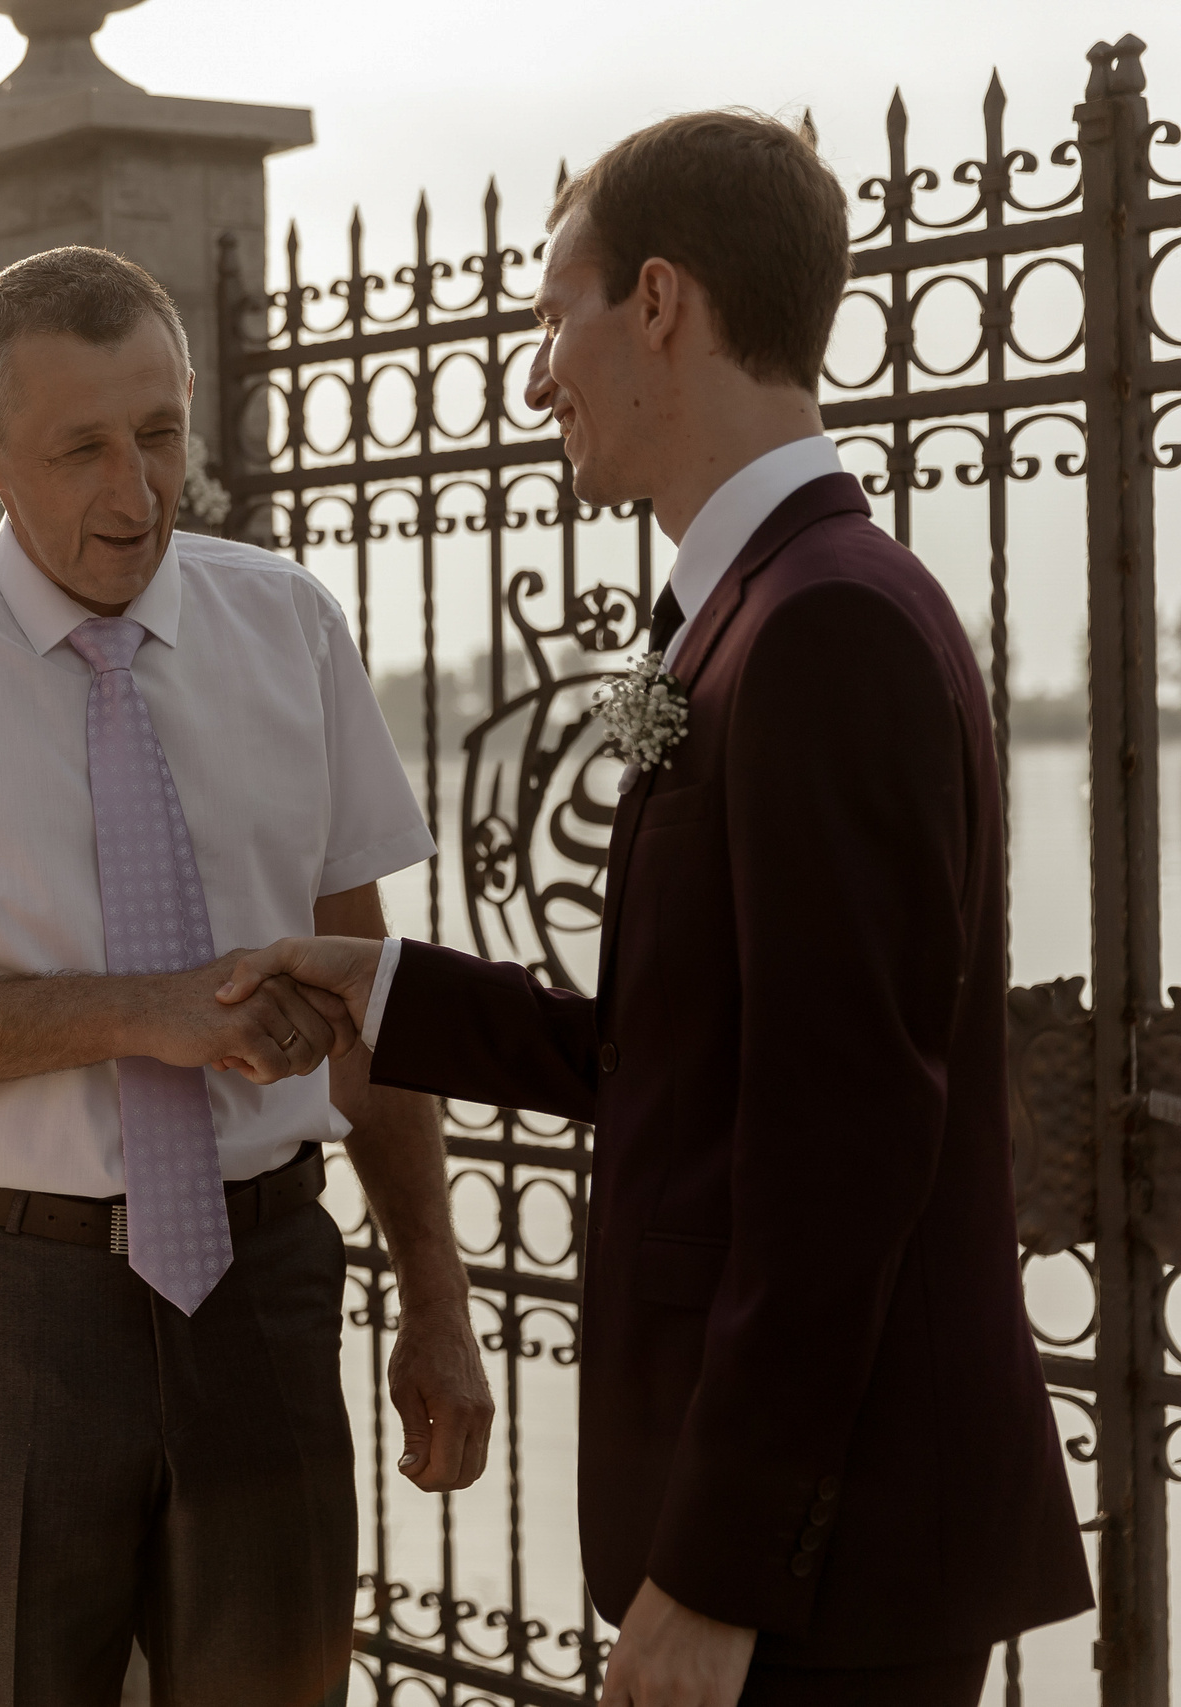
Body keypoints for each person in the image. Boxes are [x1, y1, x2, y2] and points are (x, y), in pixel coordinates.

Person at [219, 112, 1092, 1706]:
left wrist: (717, 1568)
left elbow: (846, 1142)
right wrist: (385, 984)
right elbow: (687, 1049)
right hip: (793, 1537)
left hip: (829, 1561)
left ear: (663, 304)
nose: (537, 371)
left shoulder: (827, 629)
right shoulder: (762, 612)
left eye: (556, 312)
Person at [0, 245, 492, 1707]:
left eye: (160, 433)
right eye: (81, 446)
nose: (137, 491)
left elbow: (376, 991)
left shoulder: (289, 622)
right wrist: (137, 1009)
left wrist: (434, 1281)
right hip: (0, 1303)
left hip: (268, 1283)